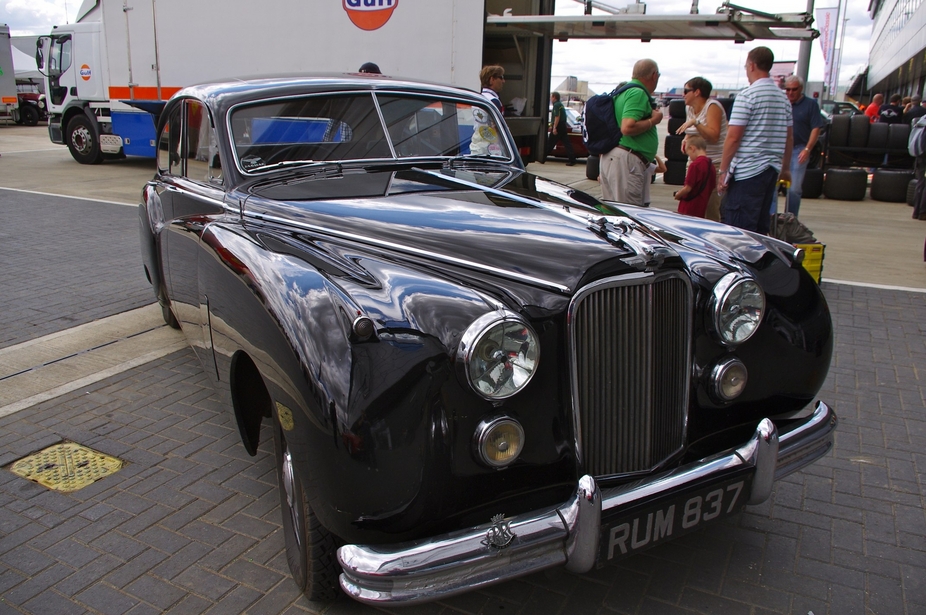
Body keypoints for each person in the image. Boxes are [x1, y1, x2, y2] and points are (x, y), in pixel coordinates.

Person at [718, 46, 793, 235]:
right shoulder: (783, 99)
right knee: (760, 228)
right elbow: (789, 137)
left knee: (739, 231)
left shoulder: (747, 96)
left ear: (752, 65)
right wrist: (785, 168)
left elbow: (734, 137)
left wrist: (723, 171)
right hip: (771, 171)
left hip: (747, 171)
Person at [599, 58, 664, 205]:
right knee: (629, 215)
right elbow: (627, 127)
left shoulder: (622, 91)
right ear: (654, 75)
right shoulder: (637, 93)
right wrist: (654, 120)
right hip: (627, 162)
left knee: (615, 212)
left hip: (616, 159)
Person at [676, 76, 728, 221]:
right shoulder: (689, 108)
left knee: (711, 208)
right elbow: (690, 131)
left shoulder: (712, 107)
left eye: (686, 91)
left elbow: (713, 136)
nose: (683, 94)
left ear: (697, 92)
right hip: (694, 163)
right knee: (692, 205)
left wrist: (696, 122)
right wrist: (686, 139)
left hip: (713, 164)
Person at [772, 75, 823, 217]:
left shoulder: (810, 104)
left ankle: (790, 218)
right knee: (772, 186)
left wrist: (808, 149)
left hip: (799, 149)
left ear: (801, 89)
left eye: (794, 90)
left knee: (794, 188)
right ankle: (771, 218)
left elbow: (816, 127)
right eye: (787, 90)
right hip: (779, 149)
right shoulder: (781, 103)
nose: (790, 93)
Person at [674, 136, 715, 218]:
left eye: (688, 153)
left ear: (692, 148)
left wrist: (678, 195)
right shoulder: (711, 165)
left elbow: (688, 188)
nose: (690, 157)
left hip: (689, 206)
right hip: (702, 205)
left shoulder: (695, 165)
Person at [546, 91, 576, 166]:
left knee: (550, 142)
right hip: (563, 125)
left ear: (554, 97)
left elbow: (557, 117)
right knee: (567, 144)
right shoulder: (561, 104)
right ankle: (572, 159)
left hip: (558, 126)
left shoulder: (556, 105)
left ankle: (542, 157)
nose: (550, 98)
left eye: (551, 96)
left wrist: (554, 127)